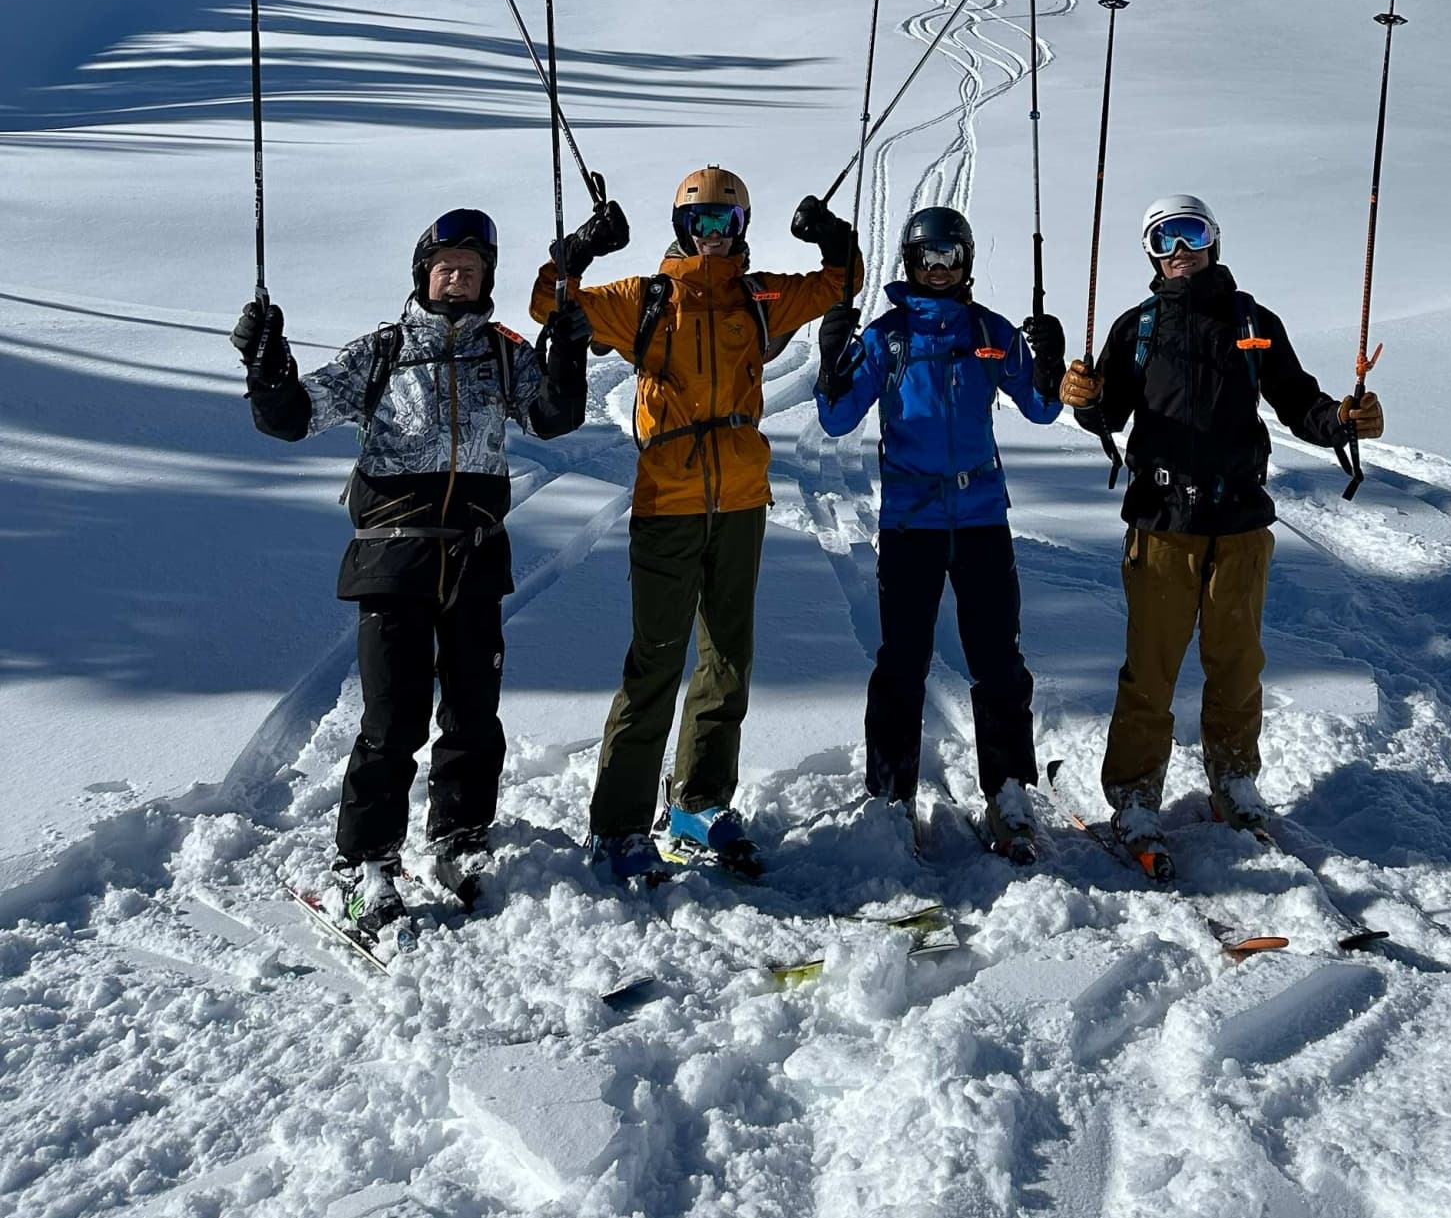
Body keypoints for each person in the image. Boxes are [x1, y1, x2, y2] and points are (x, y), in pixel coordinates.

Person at [231, 208, 592, 932]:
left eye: (472, 266)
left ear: (487, 279)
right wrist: (266, 366)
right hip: (394, 549)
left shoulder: (503, 353)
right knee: (393, 716)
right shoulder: (383, 352)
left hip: (477, 550)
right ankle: (366, 863)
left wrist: (569, 353)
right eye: (444, 264)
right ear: (423, 273)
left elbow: (554, 418)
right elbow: (293, 416)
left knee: (471, 709)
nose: (457, 275)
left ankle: (461, 836)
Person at [529, 167, 857, 883]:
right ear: (683, 228)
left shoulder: (760, 296)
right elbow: (547, 303)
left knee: (728, 659)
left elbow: (840, 282)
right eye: (702, 222)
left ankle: (698, 804)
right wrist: (579, 248)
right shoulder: (647, 299)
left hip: (741, 502)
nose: (714, 236)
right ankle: (617, 826)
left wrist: (834, 238)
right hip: (669, 503)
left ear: (742, 229)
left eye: (727, 223)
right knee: (656, 662)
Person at [1059, 193, 1383, 869]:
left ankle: (1233, 780)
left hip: (1239, 523)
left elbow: (1298, 400)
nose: (1179, 248)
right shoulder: (1137, 328)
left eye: (1191, 232)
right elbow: (1110, 414)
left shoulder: (1252, 322)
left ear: (1213, 240)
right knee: (1151, 668)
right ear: (1150, 252)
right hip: (1162, 521)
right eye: (1163, 237)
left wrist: (1343, 421)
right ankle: (1134, 795)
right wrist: (1085, 401)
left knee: (1236, 664)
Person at [814, 204, 1065, 860]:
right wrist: (829, 364)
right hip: (911, 523)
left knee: (999, 664)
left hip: (981, 518)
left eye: (950, 257)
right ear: (909, 263)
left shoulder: (987, 333)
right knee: (902, 663)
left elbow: (1041, 409)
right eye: (927, 259)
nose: (938, 269)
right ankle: (891, 795)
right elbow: (839, 420)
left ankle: (1009, 795)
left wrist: (1048, 361)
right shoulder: (889, 337)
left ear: (967, 261)